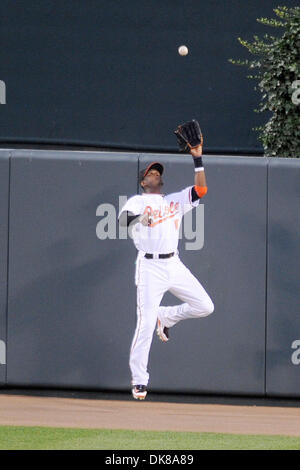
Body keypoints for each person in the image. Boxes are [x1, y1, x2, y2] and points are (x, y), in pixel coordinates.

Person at [118, 128, 214, 400]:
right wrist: (139, 219)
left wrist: (198, 158)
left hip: (174, 264)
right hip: (149, 268)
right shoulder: (136, 202)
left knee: (205, 306)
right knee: (144, 324)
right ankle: (139, 380)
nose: (155, 175)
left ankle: (167, 316)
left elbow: (201, 189)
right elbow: (122, 222)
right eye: (150, 173)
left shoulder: (174, 201)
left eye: (158, 173)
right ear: (142, 181)